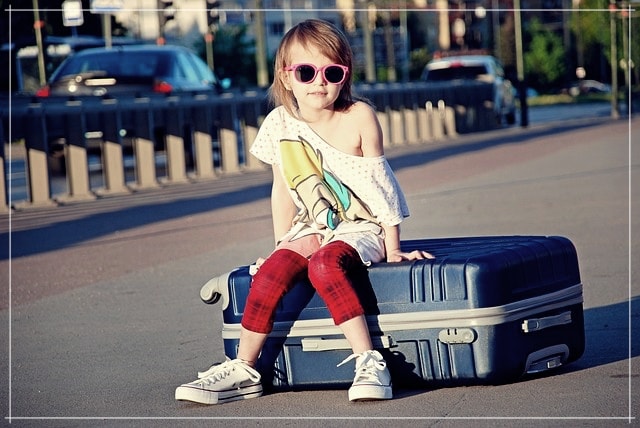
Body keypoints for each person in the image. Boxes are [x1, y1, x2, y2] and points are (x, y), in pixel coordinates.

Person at [175, 19, 432, 406]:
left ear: (344, 75)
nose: (319, 82)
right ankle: (245, 368)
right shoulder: (279, 123)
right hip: (311, 223)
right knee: (274, 269)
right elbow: (282, 190)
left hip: (361, 226)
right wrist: (282, 244)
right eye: (306, 72)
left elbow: (383, 187)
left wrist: (393, 249)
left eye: (332, 72)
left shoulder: (358, 116)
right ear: (287, 76)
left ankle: (369, 360)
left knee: (325, 264)